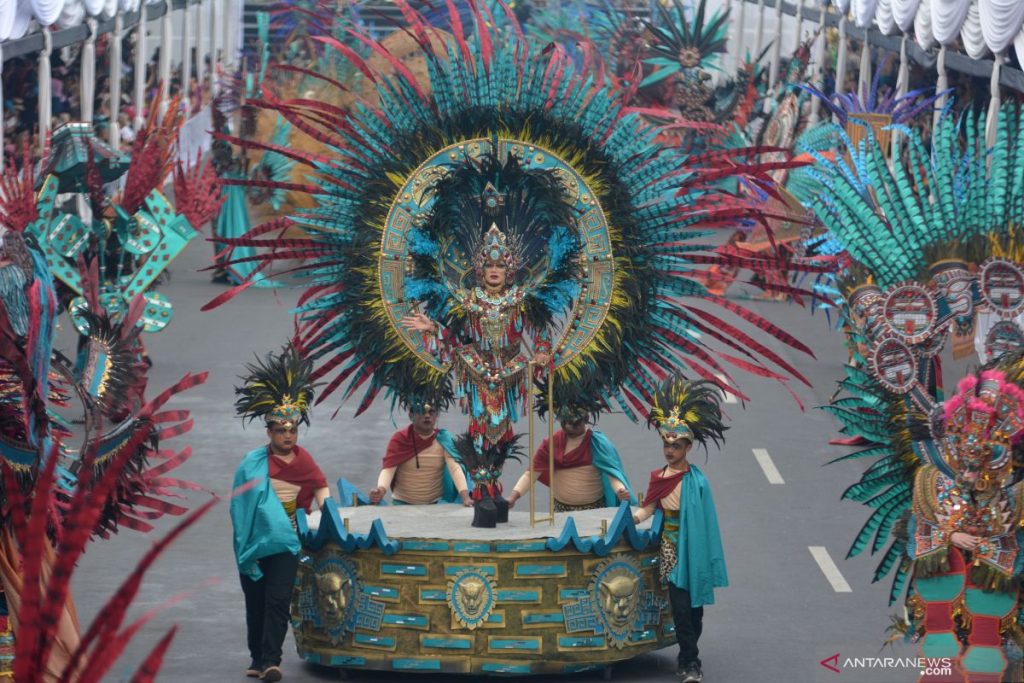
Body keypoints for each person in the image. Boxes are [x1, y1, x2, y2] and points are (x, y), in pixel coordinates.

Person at [230, 345, 330, 683]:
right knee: (256, 603)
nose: (288, 435)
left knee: (278, 601)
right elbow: (240, 507)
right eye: (281, 430)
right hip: (256, 543)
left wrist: (327, 513)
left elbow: (320, 488)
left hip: (288, 542)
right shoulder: (252, 465)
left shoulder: (304, 460)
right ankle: (258, 658)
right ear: (269, 432)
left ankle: (272, 660)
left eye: (292, 430)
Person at [632, 377, 728, 683]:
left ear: (688, 447)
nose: (669, 450)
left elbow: (706, 524)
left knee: (696, 611)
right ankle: (690, 661)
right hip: (671, 549)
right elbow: (648, 508)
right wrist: (631, 515)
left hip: (694, 549)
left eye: (676, 445)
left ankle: (688, 653)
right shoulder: (658, 477)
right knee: (682, 609)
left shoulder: (698, 481)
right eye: (666, 444)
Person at [508, 405, 634, 511]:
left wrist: (620, 490)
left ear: (586, 419)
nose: (568, 427)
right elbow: (531, 474)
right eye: (564, 422)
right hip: (560, 511)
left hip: (594, 511)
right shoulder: (551, 443)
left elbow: (611, 473)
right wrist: (513, 497)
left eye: (575, 423)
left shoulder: (598, 444)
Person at [369, 399, 472, 506]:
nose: (427, 416)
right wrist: (381, 490)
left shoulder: (444, 439)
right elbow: (388, 470)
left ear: (436, 416)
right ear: (411, 416)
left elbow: (455, 468)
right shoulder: (399, 439)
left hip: (435, 504)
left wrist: (465, 497)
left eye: (431, 412)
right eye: (422, 412)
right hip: (402, 504)